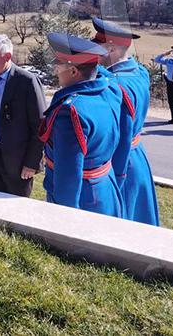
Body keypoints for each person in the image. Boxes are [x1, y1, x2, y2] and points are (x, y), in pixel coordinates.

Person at [39, 32, 123, 217]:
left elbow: (68, 176)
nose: (55, 71)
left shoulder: (69, 112)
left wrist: (64, 216)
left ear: (74, 71)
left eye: (58, 66)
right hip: (105, 188)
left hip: (82, 200)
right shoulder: (110, 91)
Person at [92, 17, 160, 226]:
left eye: (97, 47)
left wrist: (116, 177)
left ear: (111, 49)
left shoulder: (114, 86)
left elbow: (118, 137)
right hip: (136, 156)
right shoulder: (139, 71)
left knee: (122, 225)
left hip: (121, 164)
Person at [0, 34, 45, 197]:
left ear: (8, 56)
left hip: (17, 160)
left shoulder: (27, 81)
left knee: (16, 208)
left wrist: (32, 163)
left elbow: (40, 127)